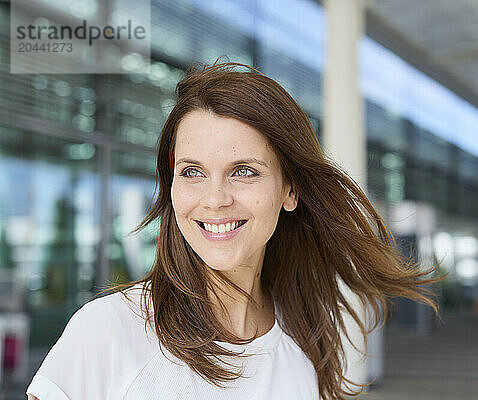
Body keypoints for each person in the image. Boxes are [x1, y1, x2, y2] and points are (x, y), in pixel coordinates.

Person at [26, 61, 441, 400]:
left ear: (289, 189)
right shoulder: (111, 330)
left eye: (243, 171)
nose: (214, 199)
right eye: (192, 173)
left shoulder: (305, 342)